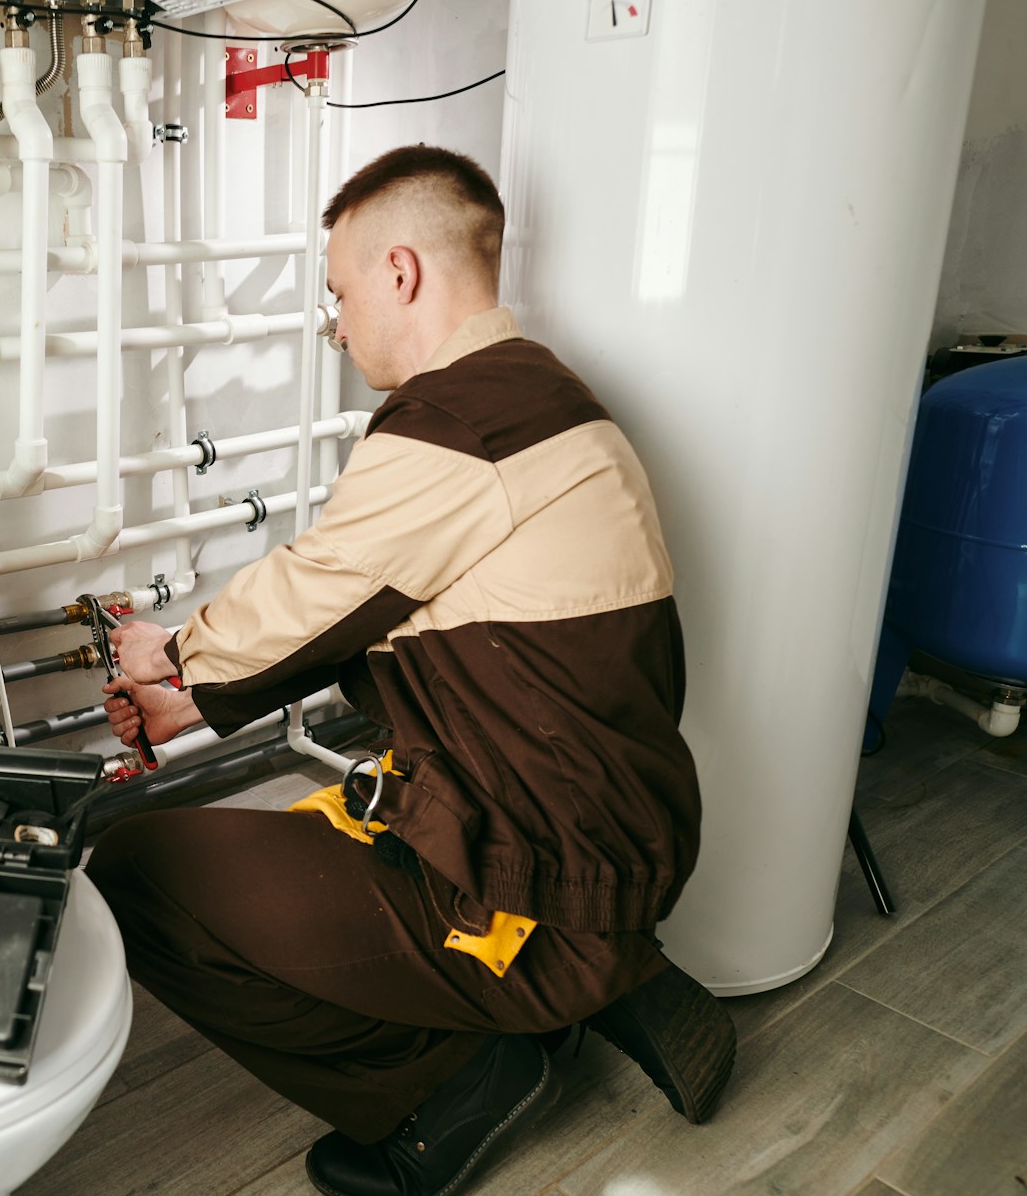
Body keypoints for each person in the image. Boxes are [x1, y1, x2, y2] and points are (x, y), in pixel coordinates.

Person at [83, 145, 733, 1196]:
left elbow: (319, 588)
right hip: (615, 840)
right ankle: (600, 975)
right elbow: (377, 611)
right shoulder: (552, 401)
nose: (335, 323)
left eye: (339, 292)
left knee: (137, 873)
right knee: (322, 821)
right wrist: (196, 692)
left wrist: (173, 658)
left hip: (535, 885)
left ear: (401, 272)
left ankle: (453, 1085)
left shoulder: (460, 421)